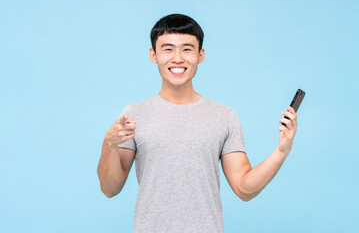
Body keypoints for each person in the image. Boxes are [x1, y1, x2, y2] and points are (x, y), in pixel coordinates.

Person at [97, 13, 298, 233]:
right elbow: (110, 188)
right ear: (153, 55)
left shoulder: (224, 117)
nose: (177, 58)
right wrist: (109, 144)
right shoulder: (134, 115)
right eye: (167, 49)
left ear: (200, 55)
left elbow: (243, 188)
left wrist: (281, 152)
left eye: (187, 49)